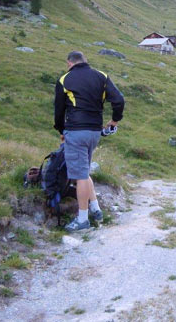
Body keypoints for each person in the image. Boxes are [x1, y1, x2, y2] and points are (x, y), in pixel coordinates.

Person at [54, 51, 125, 232]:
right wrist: (114, 121)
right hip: (95, 132)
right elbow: (118, 99)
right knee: (84, 170)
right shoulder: (101, 76)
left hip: (76, 131)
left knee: (80, 175)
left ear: (70, 63)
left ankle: (82, 220)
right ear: (85, 61)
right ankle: (96, 209)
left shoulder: (65, 79)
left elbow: (59, 111)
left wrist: (62, 131)